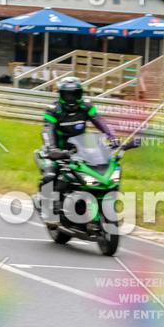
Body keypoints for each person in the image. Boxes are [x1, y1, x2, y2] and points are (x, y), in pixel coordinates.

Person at [38, 77, 120, 225]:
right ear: (61, 95)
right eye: (68, 95)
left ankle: (106, 204)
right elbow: (47, 129)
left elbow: (99, 121)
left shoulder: (86, 106)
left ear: (80, 94)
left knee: (105, 172)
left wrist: (112, 136)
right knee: (50, 174)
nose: (72, 98)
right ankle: (49, 209)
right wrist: (52, 149)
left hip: (81, 149)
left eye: (75, 94)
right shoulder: (54, 110)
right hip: (58, 151)